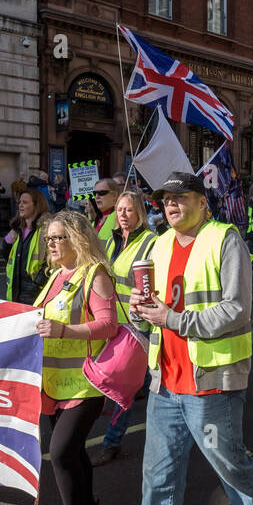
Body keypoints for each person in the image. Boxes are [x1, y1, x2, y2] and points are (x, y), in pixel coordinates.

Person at [112, 171, 253, 505]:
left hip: (212, 383)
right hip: (166, 382)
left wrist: (173, 319)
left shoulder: (225, 239)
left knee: (230, 466)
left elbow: (238, 308)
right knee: (159, 478)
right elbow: (153, 308)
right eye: (165, 199)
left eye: (181, 197)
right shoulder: (158, 244)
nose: (170, 205)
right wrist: (144, 313)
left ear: (203, 202)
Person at [30, 211, 118, 505]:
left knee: (62, 452)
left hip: (85, 383)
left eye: (58, 237)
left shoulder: (94, 274)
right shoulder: (55, 276)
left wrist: (63, 330)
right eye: (49, 238)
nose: (51, 243)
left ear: (77, 239)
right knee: (76, 451)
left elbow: (108, 325)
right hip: (54, 383)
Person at [93, 189, 158, 466]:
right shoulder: (112, 241)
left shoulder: (150, 242)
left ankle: (112, 441)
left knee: (124, 387)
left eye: (129, 210)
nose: (122, 215)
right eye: (119, 210)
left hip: (136, 324)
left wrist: (139, 316)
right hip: (112, 322)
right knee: (113, 378)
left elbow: (149, 287)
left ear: (140, 213)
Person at [4, 189, 50, 304]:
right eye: (19, 202)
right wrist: (7, 241)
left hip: (35, 295)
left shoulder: (47, 229)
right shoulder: (18, 229)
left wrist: (36, 285)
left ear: (36, 205)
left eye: (25, 202)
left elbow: (51, 262)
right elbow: (7, 257)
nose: (20, 205)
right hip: (15, 292)